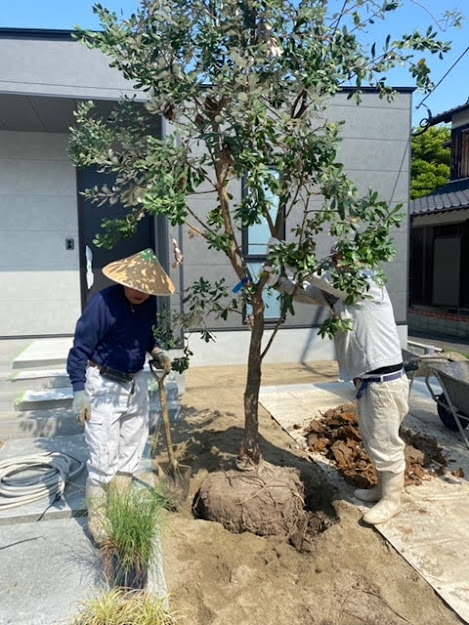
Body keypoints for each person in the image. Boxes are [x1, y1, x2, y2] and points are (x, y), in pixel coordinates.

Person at [263, 241, 409, 525]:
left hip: (384, 380)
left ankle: (393, 499)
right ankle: (382, 488)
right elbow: (306, 292)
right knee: (373, 437)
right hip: (371, 379)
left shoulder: (367, 283)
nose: (337, 263)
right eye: (336, 258)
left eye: (342, 258)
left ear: (358, 259)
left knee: (384, 440)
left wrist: (287, 254)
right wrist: (276, 280)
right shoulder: (341, 294)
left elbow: (316, 278)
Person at [67, 248, 175, 544]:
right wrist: (79, 392)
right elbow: (79, 350)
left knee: (131, 448)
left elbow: (145, 334)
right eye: (135, 286)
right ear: (125, 279)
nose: (140, 293)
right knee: (103, 456)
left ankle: (121, 505)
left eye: (146, 289)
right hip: (103, 383)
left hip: (135, 381)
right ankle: (99, 519)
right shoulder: (102, 304)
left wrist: (156, 351)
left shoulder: (147, 304)